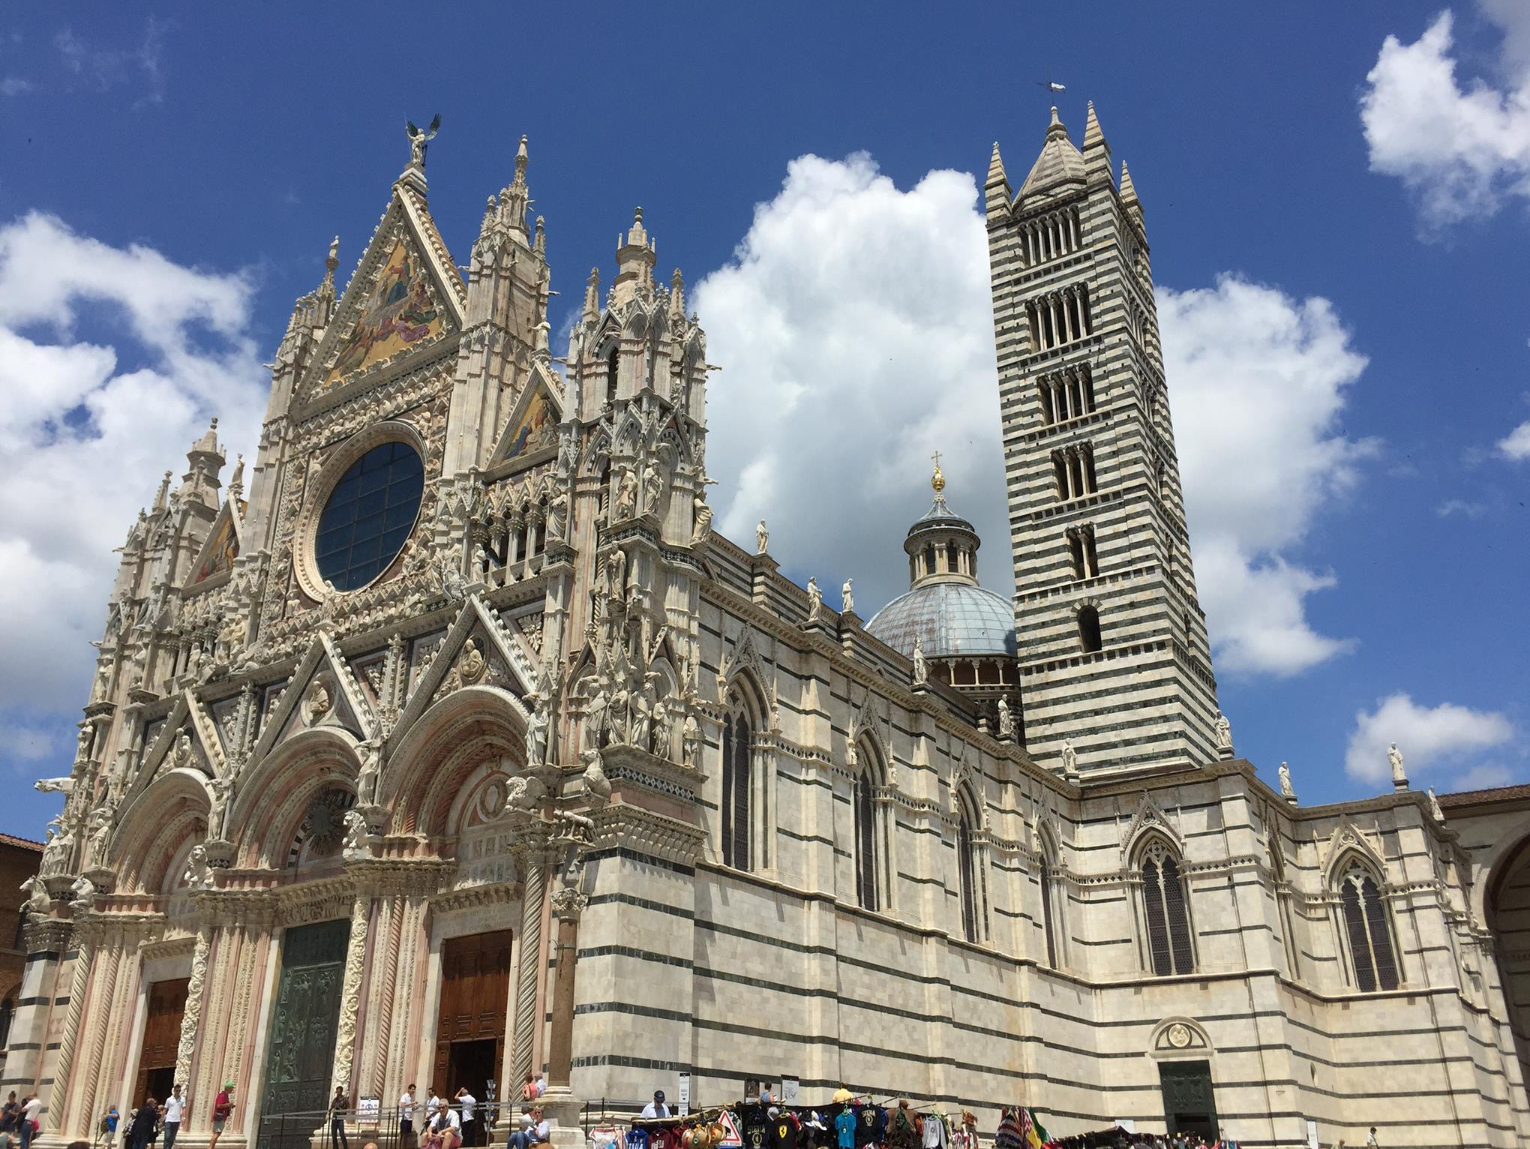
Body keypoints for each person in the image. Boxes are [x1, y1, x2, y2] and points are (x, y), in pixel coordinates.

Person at [209, 1084, 233, 1149]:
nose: (232, 1090)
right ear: (228, 1088)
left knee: (217, 1133)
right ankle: (210, 1147)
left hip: (221, 1116)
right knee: (217, 1133)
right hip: (219, 1116)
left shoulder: (225, 1095)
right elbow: (218, 1105)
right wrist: (228, 1105)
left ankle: (212, 1147)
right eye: (231, 1088)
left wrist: (230, 1106)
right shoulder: (222, 1095)